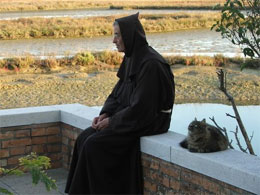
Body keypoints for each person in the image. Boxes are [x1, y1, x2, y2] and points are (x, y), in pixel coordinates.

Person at [65, 13, 175, 194]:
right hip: (130, 116)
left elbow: (143, 108)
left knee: (94, 145)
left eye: (117, 35)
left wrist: (113, 122)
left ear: (130, 35)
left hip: (150, 121)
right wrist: (106, 114)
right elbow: (117, 93)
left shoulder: (151, 64)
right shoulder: (132, 57)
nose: (113, 40)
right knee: (84, 138)